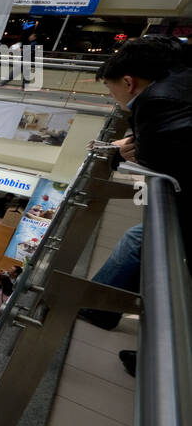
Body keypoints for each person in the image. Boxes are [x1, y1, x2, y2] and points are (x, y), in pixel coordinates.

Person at [81, 37, 192, 338]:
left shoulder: (157, 103)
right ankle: (100, 306)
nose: (112, 96)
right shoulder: (180, 79)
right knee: (138, 239)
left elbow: (158, 157)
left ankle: (98, 306)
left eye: (109, 87)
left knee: (141, 242)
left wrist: (130, 149)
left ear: (129, 82)